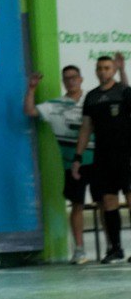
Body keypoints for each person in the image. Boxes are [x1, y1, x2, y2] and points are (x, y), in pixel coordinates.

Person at [25, 67, 95, 264]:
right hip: (72, 164)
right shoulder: (56, 105)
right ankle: (79, 250)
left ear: (81, 79)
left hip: (98, 160)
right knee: (77, 204)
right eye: (66, 79)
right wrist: (31, 89)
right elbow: (29, 111)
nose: (71, 81)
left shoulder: (92, 100)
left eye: (74, 77)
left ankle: (112, 248)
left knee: (105, 202)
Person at [72, 54, 131, 263]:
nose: (103, 71)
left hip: (126, 154)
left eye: (107, 68)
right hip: (103, 157)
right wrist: (77, 157)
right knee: (108, 200)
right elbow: (86, 128)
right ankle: (115, 248)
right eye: (99, 68)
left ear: (113, 70)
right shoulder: (92, 97)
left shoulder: (124, 92)